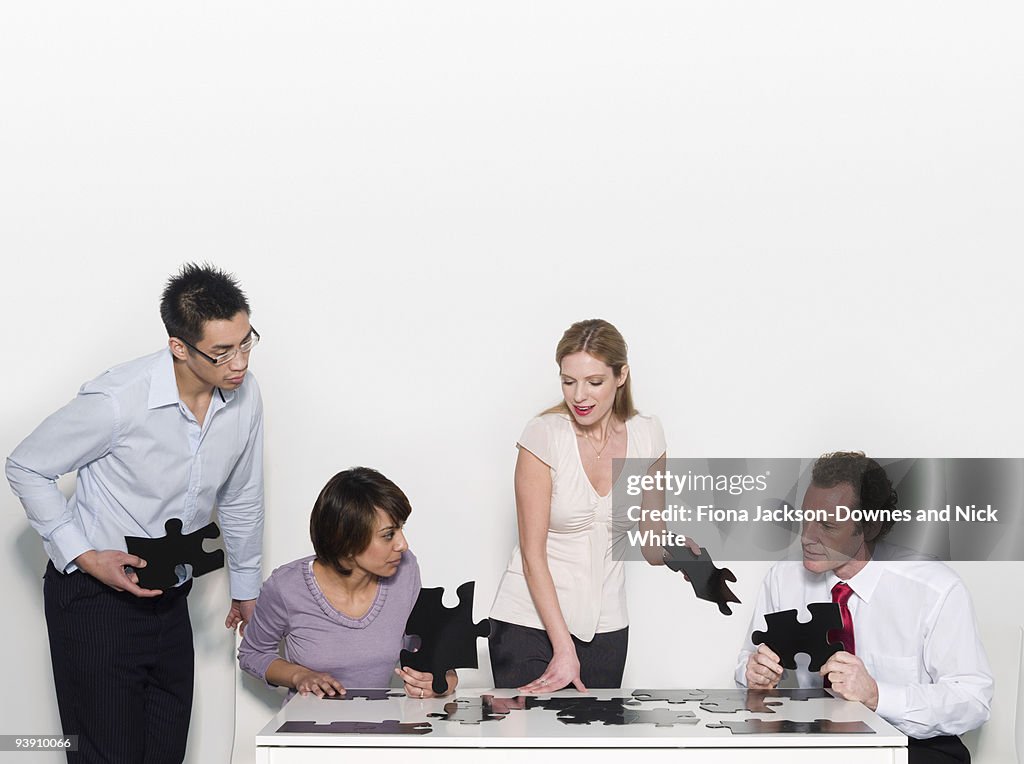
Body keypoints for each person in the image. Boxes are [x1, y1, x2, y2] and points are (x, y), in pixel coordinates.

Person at [6, 263, 265, 763]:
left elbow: (241, 493)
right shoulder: (118, 401)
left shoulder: (245, 396)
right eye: (221, 352)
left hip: (170, 597)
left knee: (164, 751)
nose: (240, 363)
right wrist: (82, 555)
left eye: (246, 341)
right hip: (93, 601)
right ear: (179, 347)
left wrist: (247, 587)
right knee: (106, 756)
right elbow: (26, 465)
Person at [737, 451, 993, 764]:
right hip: (817, 745)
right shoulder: (782, 578)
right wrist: (752, 673)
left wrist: (876, 694)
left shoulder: (936, 589)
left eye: (828, 526)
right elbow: (748, 660)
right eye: (805, 519)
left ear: (870, 528)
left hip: (914, 748)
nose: (807, 537)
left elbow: (973, 700)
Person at [489, 318, 697, 692]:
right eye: (568, 381)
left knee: (596, 750)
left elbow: (652, 541)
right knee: (529, 748)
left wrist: (685, 558)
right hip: (528, 623)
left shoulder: (648, 435)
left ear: (621, 376)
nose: (579, 396)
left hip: (607, 628)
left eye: (594, 382)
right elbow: (531, 555)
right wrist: (563, 646)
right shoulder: (542, 436)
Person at [239, 466, 456, 699]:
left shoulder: (405, 568)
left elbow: (421, 642)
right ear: (347, 541)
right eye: (388, 534)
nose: (403, 544)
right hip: (308, 730)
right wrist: (298, 675)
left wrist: (446, 679)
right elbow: (252, 653)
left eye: (401, 528)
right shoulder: (286, 586)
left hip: (382, 727)